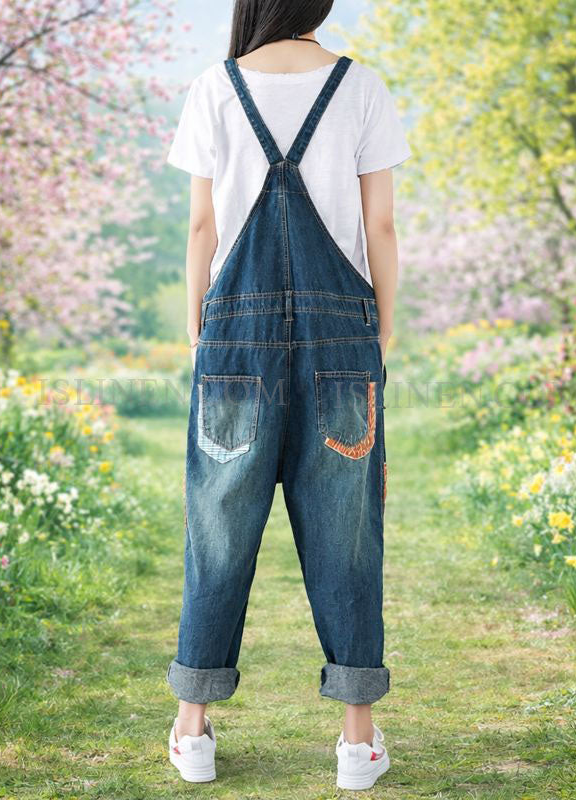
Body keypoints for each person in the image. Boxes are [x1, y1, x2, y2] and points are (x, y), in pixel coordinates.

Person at [164, 0, 411, 789]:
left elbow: (202, 226)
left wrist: (201, 332)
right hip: (343, 342)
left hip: (232, 338)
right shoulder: (360, 85)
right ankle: (356, 742)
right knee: (347, 537)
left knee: (218, 533)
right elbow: (382, 227)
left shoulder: (215, 86)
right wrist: (385, 332)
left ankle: (194, 729)